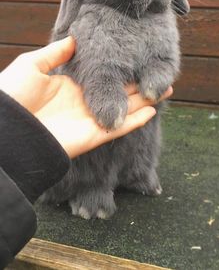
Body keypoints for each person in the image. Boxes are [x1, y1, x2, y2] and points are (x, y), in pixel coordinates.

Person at [0, 36, 172, 269]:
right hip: (81, 106)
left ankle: (138, 174)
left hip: (121, 109)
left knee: (144, 119)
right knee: (97, 136)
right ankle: (89, 189)